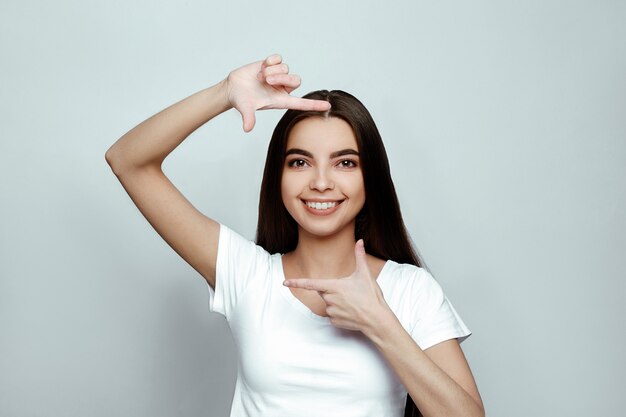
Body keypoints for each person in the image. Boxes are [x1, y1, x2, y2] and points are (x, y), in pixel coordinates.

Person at [105, 54, 485, 417]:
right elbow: (128, 161)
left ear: (372, 179)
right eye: (300, 162)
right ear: (279, 177)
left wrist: (380, 322)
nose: (321, 182)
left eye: (345, 163)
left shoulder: (411, 290)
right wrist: (224, 92)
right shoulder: (248, 276)